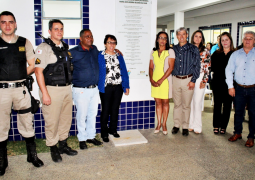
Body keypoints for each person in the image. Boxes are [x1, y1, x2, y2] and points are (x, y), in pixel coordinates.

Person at [0, 11, 43, 176]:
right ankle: (2, 161)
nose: (7, 25)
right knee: (1, 126)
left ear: (15, 24)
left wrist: (19, 76)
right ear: (0, 24)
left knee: (27, 122)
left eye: (10, 22)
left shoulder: (24, 42)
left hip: (21, 89)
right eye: (3, 22)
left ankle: (32, 156)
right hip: (1, 92)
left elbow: (33, 64)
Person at [34, 19, 77, 162]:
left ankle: (63, 145)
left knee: (66, 119)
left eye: (61, 29)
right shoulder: (43, 48)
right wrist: (44, 93)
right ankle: (53, 147)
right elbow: (38, 72)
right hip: (51, 89)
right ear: (49, 31)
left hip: (66, 88)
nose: (59, 31)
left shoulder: (65, 47)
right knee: (52, 120)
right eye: (56, 29)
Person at [69, 29, 103, 150]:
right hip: (81, 90)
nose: (90, 38)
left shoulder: (94, 50)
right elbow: (65, 67)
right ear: (81, 39)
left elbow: (103, 56)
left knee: (92, 114)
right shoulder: (73, 52)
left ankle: (90, 136)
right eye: (87, 36)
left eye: (91, 36)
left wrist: (115, 51)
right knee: (82, 115)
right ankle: (82, 138)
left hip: (94, 89)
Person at [98, 34, 130, 142]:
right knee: (105, 110)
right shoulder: (100, 55)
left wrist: (126, 86)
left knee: (115, 109)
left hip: (118, 87)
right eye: (109, 42)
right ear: (105, 44)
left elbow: (124, 71)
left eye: (114, 42)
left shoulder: (119, 56)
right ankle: (104, 133)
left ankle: (113, 130)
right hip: (106, 87)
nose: (112, 45)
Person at [226, 31, 255, 147]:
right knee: (238, 112)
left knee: (253, 114)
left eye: (250, 38)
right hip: (238, 88)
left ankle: (251, 136)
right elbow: (228, 70)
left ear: (254, 40)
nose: (247, 40)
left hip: (253, 89)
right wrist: (230, 86)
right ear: (242, 40)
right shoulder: (235, 54)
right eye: (245, 38)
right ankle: (237, 133)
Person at [171, 27, 200, 136]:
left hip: (188, 79)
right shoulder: (173, 49)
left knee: (186, 105)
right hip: (176, 79)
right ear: (177, 36)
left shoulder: (193, 49)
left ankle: (185, 126)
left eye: (184, 34)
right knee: (177, 104)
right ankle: (176, 125)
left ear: (187, 35)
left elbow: (197, 66)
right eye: (179, 34)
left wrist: (193, 80)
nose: (181, 36)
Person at [149, 31, 175, 135]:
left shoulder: (170, 51)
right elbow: (151, 67)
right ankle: (158, 123)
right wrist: (151, 79)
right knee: (158, 102)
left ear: (167, 40)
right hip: (155, 80)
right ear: (157, 39)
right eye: (160, 38)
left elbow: (171, 68)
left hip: (166, 81)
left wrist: (161, 80)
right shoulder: (153, 51)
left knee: (165, 102)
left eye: (165, 38)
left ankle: (164, 124)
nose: (162, 40)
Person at [211, 32, 235, 135]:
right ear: (220, 42)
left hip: (230, 85)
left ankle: (223, 126)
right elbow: (211, 67)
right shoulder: (216, 53)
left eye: (226, 40)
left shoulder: (235, 54)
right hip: (217, 83)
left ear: (230, 41)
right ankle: (216, 125)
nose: (224, 42)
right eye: (222, 40)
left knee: (227, 105)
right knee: (217, 105)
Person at [189, 30, 211, 134]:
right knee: (190, 102)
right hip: (189, 77)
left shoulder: (205, 51)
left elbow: (208, 67)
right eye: (196, 36)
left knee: (197, 102)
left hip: (200, 77)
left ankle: (197, 126)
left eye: (200, 37)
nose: (197, 38)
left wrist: (204, 80)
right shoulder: (188, 49)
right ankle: (191, 124)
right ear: (193, 37)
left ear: (202, 39)